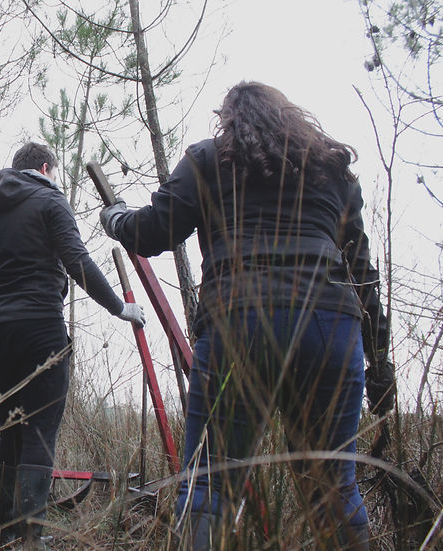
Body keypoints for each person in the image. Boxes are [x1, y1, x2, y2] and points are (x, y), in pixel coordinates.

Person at [99, 81, 396, 550]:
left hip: (240, 323)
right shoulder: (332, 170)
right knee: (334, 488)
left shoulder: (209, 159)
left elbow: (153, 231)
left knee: (210, 481)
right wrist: (379, 365)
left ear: (230, 120)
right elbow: (363, 275)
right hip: (330, 327)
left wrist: (115, 217)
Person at [0, 142, 145, 549]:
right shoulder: (50, 202)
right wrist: (119, 308)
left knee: (10, 429)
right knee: (39, 431)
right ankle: (30, 539)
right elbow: (78, 262)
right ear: (44, 168)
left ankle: (9, 535)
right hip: (41, 329)